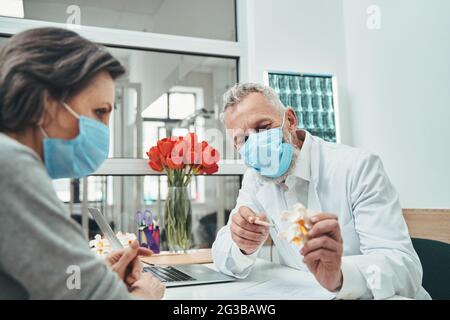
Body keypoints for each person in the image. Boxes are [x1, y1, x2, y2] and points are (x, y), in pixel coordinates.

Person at [212, 83, 431, 300]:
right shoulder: (256, 179)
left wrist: (342, 275)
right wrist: (241, 245)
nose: (256, 143)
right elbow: (222, 253)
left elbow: (405, 270)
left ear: (290, 120)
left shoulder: (357, 167)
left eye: (263, 127)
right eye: (243, 139)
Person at [0, 27, 165, 299]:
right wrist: (146, 294)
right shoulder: (11, 164)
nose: (104, 129)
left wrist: (89, 277)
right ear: (46, 103)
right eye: (99, 112)